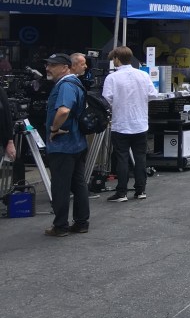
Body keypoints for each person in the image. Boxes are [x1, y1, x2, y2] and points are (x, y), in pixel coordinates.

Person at [102, 46, 157, 202]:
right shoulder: (143, 75)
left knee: (122, 158)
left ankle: (122, 192)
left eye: (113, 59)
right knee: (140, 157)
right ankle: (141, 190)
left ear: (117, 59)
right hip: (140, 122)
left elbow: (106, 99)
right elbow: (153, 95)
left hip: (121, 123)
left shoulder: (112, 78)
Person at [42, 53, 89, 236]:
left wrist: (54, 129)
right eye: (47, 65)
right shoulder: (74, 83)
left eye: (52, 65)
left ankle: (61, 226)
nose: (48, 68)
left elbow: (63, 110)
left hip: (64, 145)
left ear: (65, 68)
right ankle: (81, 223)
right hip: (76, 143)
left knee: (61, 186)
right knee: (78, 184)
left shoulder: (66, 85)